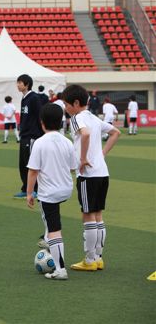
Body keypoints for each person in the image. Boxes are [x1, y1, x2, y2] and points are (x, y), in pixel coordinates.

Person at [62, 84, 120, 272]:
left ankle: (89, 260)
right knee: (98, 215)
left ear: (76, 103)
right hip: (103, 172)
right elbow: (115, 132)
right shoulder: (94, 118)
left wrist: (84, 158)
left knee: (87, 214)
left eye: (66, 104)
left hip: (88, 174)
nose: (65, 108)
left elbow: (85, 134)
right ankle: (98, 258)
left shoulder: (77, 118)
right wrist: (102, 154)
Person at [26, 103, 78, 280]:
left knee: (54, 228)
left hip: (50, 192)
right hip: (66, 189)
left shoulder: (40, 143)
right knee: (49, 221)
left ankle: (60, 269)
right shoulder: (67, 141)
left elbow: (33, 171)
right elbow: (72, 167)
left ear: (42, 123)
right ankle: (49, 239)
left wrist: (28, 193)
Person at [14, 74, 43, 199]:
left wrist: (41, 134)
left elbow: (39, 116)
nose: (18, 85)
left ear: (27, 84)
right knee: (22, 163)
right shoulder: (24, 98)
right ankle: (26, 188)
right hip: (24, 135)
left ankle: (35, 189)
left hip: (32, 136)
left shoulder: (34, 98)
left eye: (20, 83)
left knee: (31, 164)